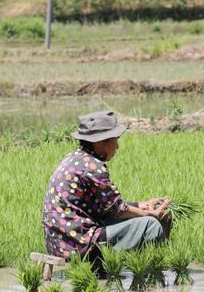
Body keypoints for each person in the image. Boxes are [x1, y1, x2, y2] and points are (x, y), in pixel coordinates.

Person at [41, 110, 171, 262]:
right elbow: (116, 210)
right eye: (115, 140)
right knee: (150, 225)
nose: (117, 147)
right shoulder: (92, 167)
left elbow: (107, 207)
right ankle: (149, 274)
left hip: (59, 243)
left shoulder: (74, 158)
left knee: (146, 218)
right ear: (100, 142)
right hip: (79, 245)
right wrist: (151, 214)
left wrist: (143, 205)